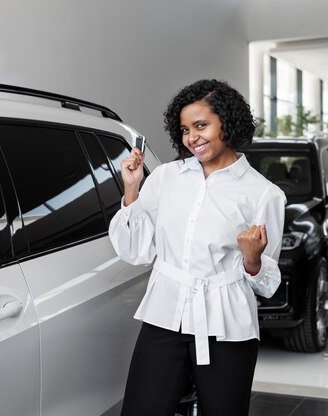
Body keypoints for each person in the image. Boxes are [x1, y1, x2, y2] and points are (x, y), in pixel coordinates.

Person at [109, 79, 286, 416]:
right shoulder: (166, 178)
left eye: (201, 125)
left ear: (227, 123)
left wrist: (253, 260)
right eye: (185, 129)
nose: (192, 137)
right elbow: (136, 251)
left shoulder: (263, 194)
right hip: (164, 314)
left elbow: (268, 284)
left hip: (226, 325)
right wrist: (131, 191)